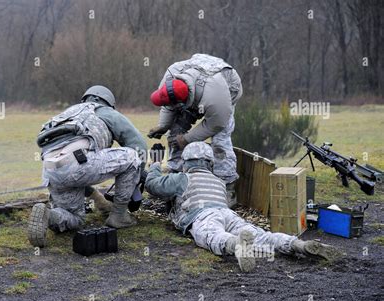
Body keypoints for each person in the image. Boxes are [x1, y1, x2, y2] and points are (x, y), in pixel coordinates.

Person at [145, 141, 338, 272]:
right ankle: (297, 245)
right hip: (227, 213)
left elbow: (153, 186)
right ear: (210, 163)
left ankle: (235, 245)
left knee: (210, 235)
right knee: (261, 235)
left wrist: (154, 164)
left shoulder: (182, 178)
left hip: (203, 215)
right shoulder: (218, 181)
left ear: (186, 163)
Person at [28, 85, 147, 247]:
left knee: (74, 218)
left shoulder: (67, 114)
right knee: (133, 157)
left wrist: (98, 199)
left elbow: (74, 173)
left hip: (51, 170)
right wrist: (138, 176)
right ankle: (119, 216)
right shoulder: (103, 111)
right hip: (79, 162)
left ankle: (48, 216)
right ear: (106, 101)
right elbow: (138, 145)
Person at [148, 53, 243, 206]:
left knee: (220, 142)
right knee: (175, 133)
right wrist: (163, 125)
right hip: (194, 89)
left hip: (226, 88)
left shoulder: (217, 98)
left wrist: (187, 139)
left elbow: (216, 124)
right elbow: (168, 106)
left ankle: (227, 188)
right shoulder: (171, 76)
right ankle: (175, 179)